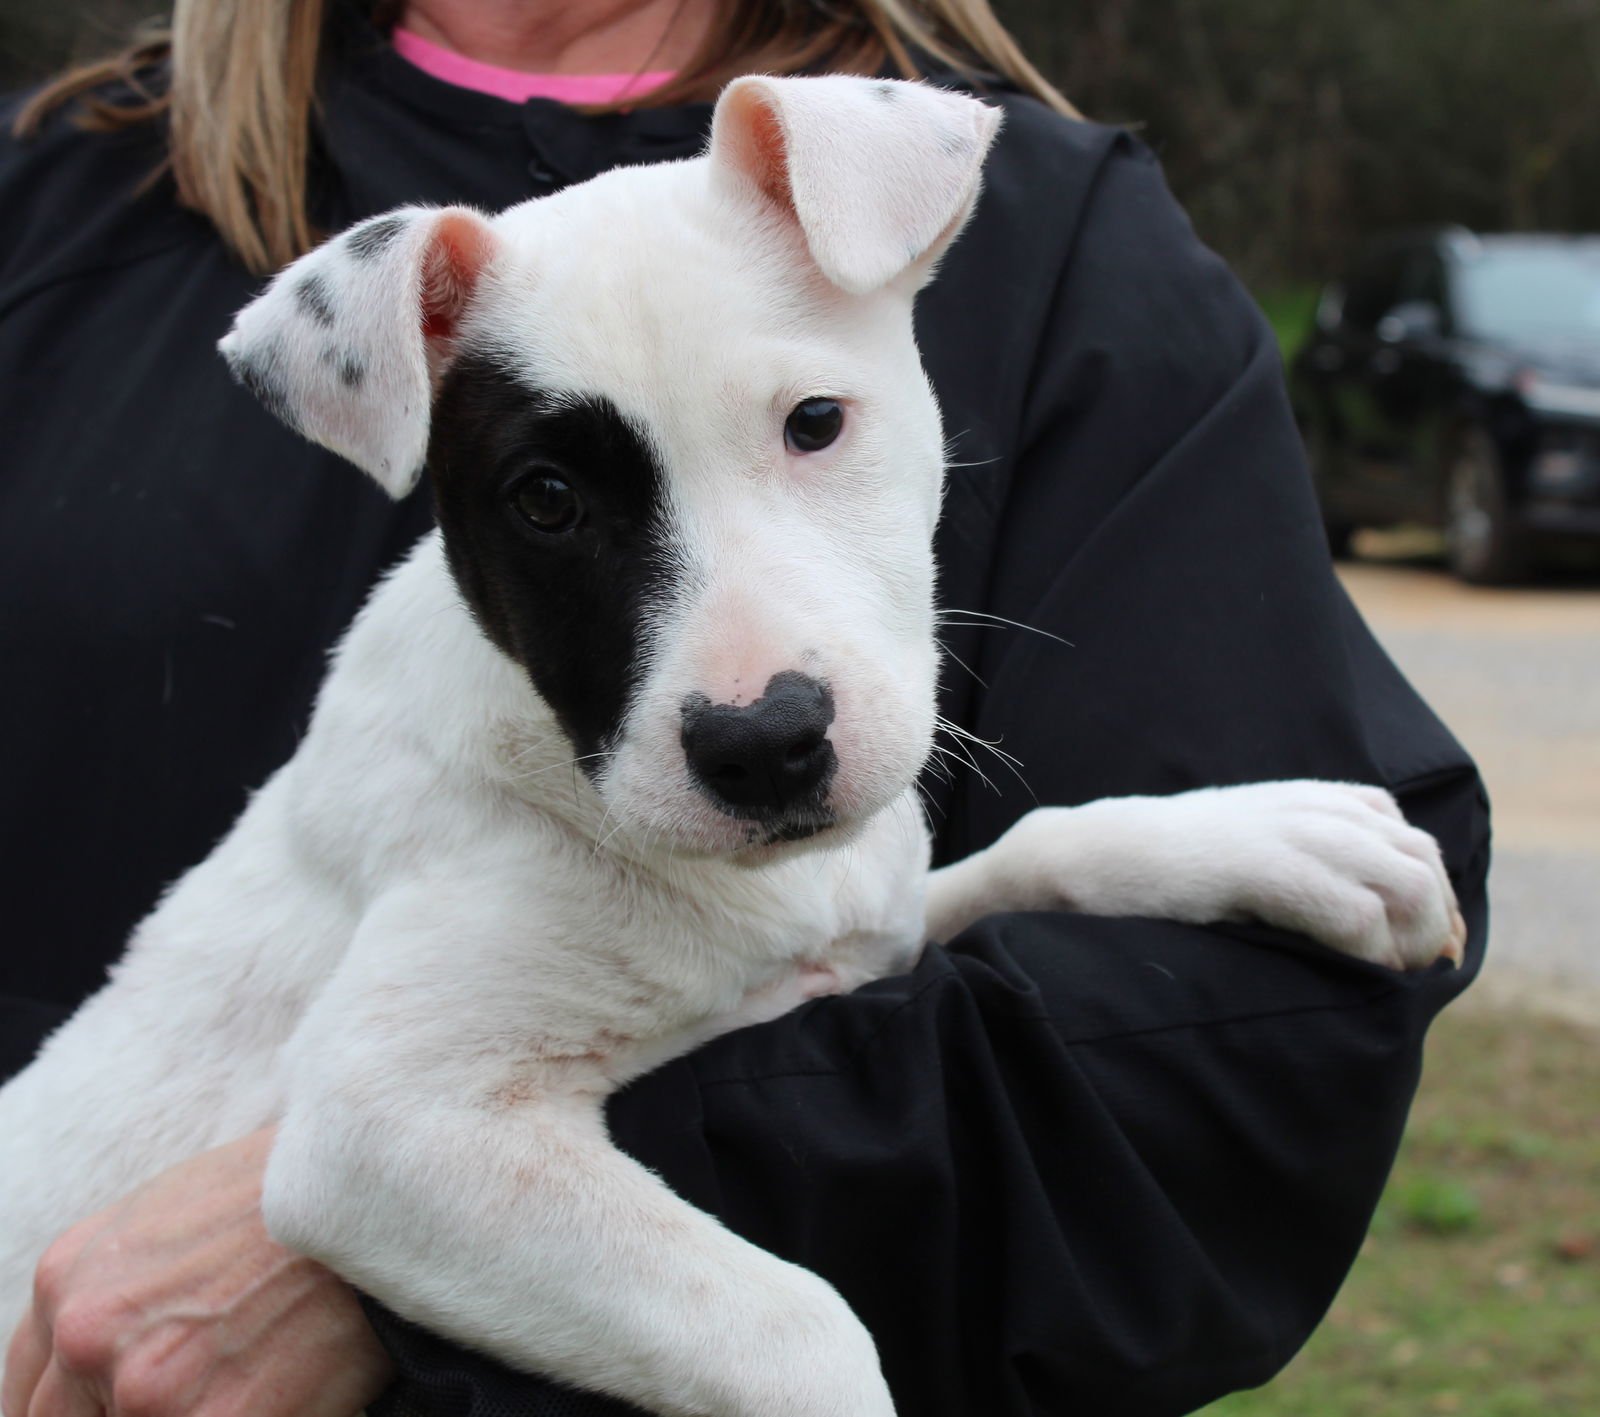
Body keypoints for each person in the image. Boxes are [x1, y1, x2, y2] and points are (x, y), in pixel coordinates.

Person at [0, 0, 1488, 1413]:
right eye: (554, 497)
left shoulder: (992, 218)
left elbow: (781, 985)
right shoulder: (76, 213)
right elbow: (366, 1153)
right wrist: (797, 1368)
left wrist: (1065, 862)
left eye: (811, 425)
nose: (749, 688)